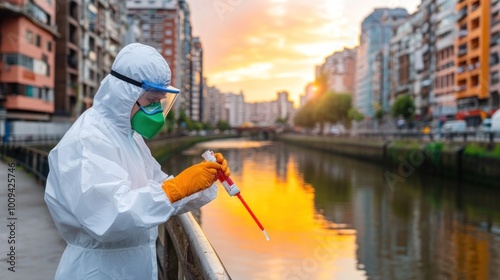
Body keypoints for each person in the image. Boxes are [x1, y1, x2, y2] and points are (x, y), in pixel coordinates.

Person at [44, 43, 229, 279]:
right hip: (97, 270)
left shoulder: (130, 138)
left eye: (159, 103)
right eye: (151, 101)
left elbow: (160, 196)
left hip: (131, 267)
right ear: (125, 94)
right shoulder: (87, 140)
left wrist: (202, 181)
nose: (156, 111)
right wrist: (175, 189)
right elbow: (110, 216)